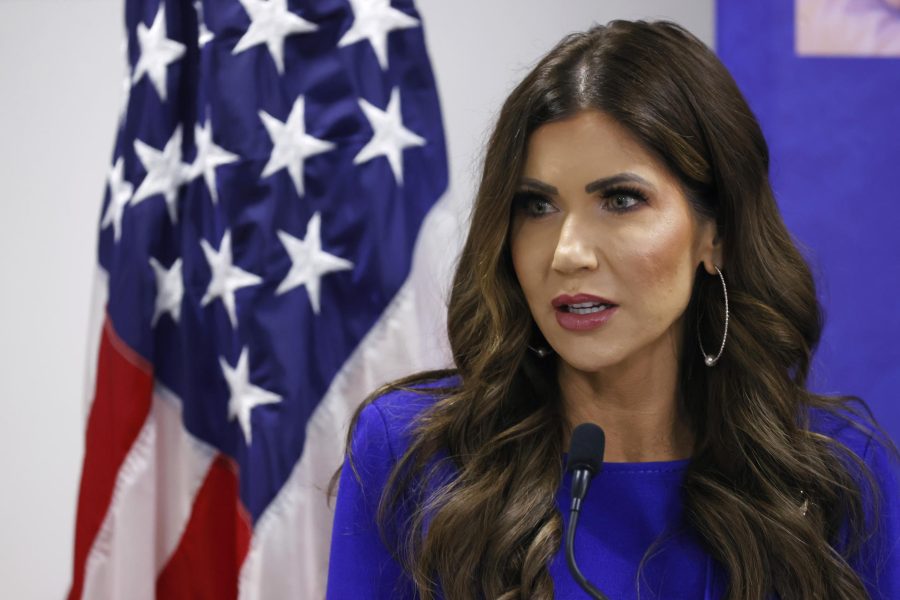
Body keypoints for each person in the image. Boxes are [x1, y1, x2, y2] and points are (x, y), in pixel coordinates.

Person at [326, 20, 900, 600]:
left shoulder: (835, 479)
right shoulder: (411, 456)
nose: (567, 253)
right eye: (537, 206)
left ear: (716, 233)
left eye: (621, 200)